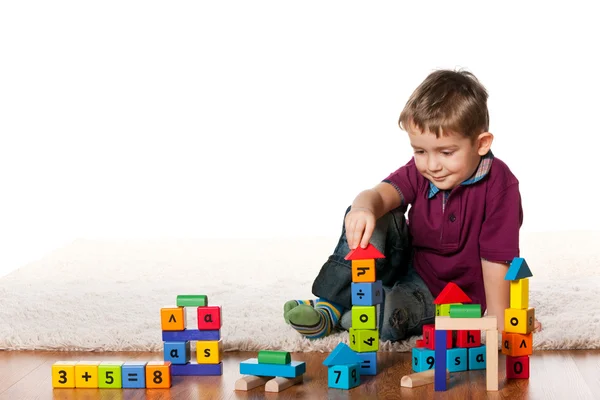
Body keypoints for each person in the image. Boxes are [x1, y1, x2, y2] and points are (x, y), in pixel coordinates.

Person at [283, 68, 541, 341]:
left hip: (443, 294)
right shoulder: (420, 172)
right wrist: (363, 207)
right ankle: (330, 303)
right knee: (368, 214)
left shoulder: (500, 185)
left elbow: (496, 259)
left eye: (446, 152)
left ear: (481, 144)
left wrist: (499, 318)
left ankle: (349, 313)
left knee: (388, 319)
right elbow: (380, 195)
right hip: (402, 264)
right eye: (420, 151)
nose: (431, 165)